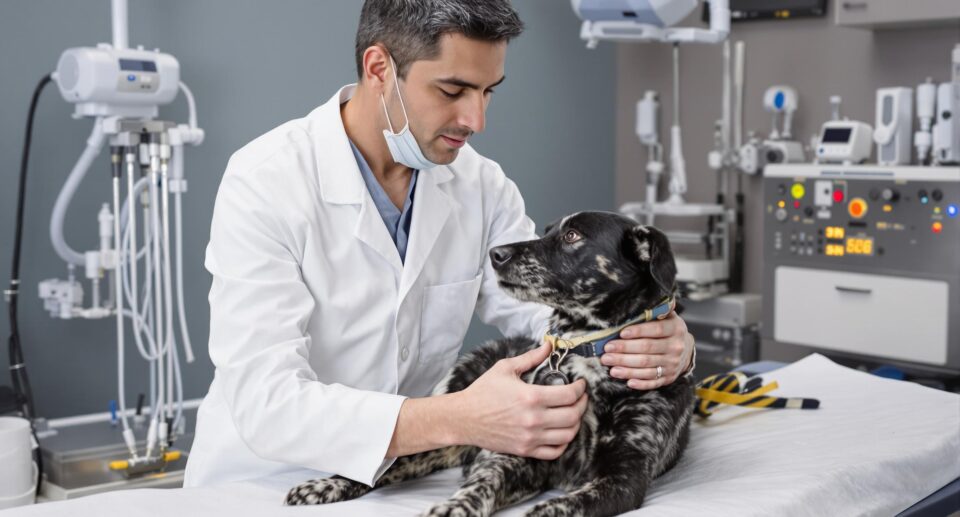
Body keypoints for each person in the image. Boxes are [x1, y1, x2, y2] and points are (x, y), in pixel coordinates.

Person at [184, 0, 695, 488]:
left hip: (399, 480)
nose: (477, 121)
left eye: (489, 91)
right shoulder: (264, 181)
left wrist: (658, 343)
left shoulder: (482, 186)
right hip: (263, 481)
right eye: (453, 91)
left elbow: (547, 317)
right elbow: (267, 402)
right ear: (380, 68)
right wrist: (458, 418)